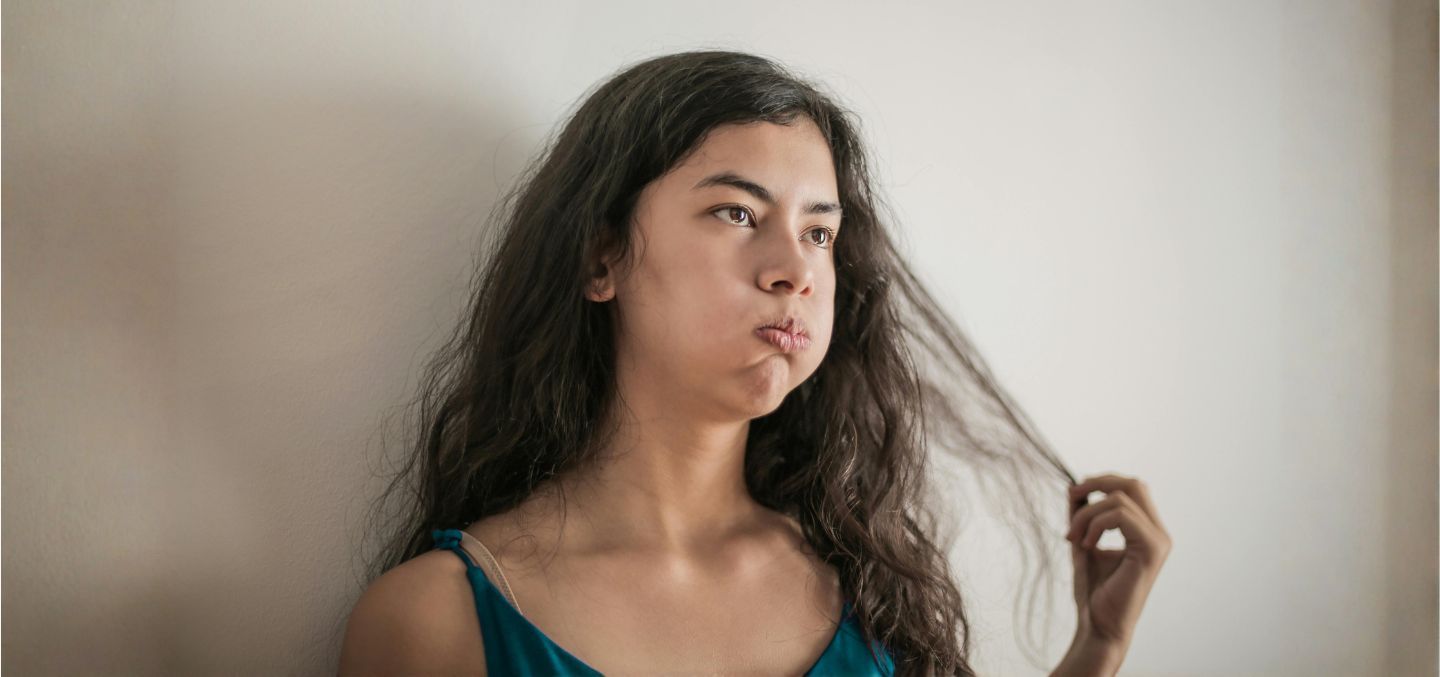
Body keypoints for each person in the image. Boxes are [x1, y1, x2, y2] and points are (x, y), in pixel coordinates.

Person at [336, 50, 1171, 676]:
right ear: (600, 260)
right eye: (736, 211)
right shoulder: (437, 621)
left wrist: (1097, 646)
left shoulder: (866, 587)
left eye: (819, 231)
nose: (795, 270)